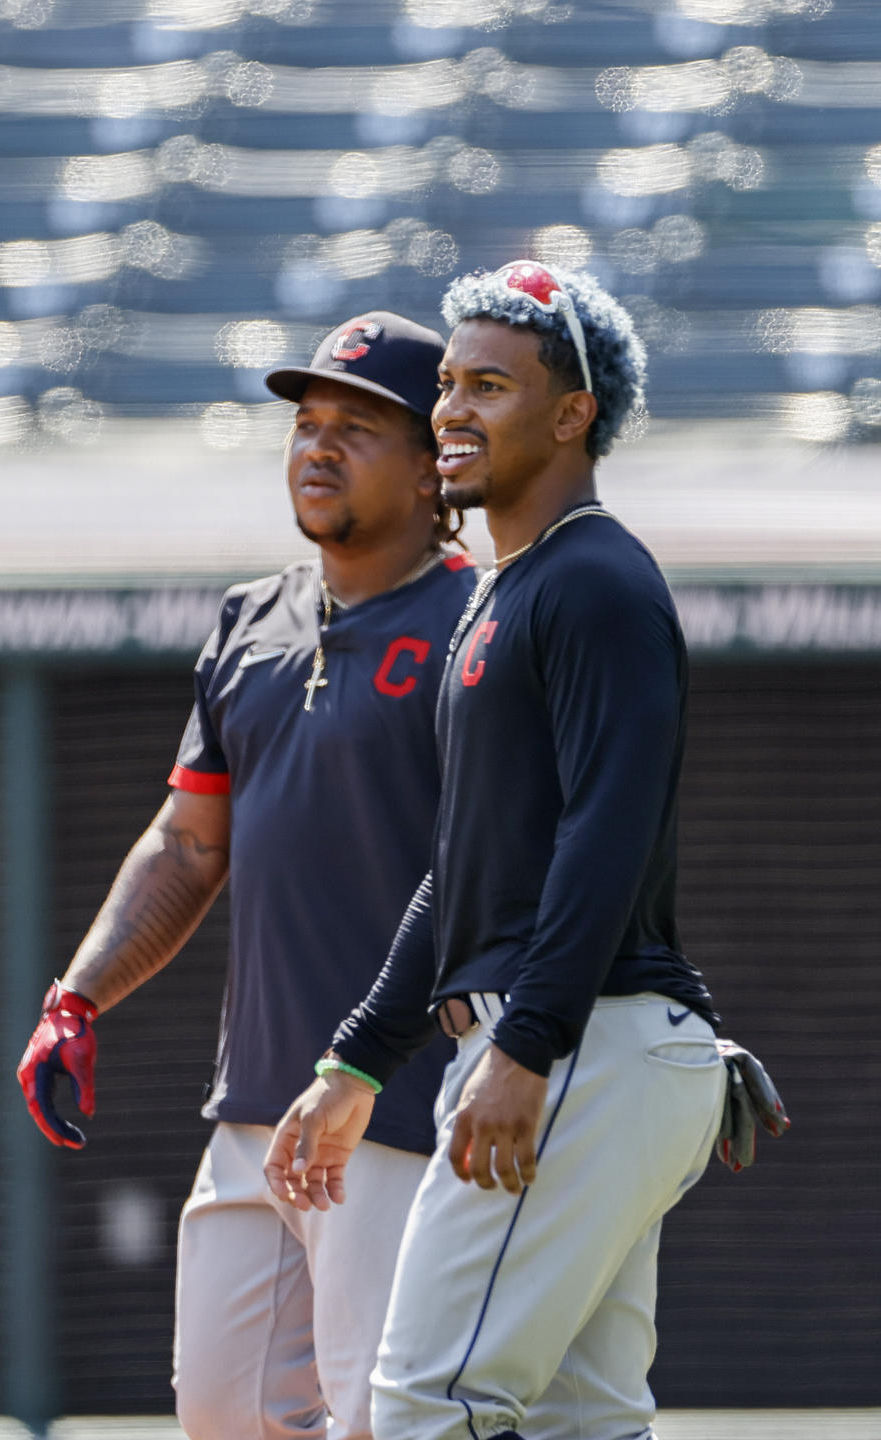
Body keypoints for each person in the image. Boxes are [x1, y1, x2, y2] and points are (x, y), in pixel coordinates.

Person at [264, 262, 729, 1440]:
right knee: (580, 1422)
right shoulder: (509, 590)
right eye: (449, 386)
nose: (453, 409)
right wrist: (358, 1060)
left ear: (573, 413)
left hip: (581, 1038)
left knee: (428, 1404)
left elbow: (607, 830)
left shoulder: (596, 580)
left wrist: (526, 1046)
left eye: (491, 386)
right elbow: (466, 860)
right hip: (598, 1045)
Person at [16, 310, 478, 1440]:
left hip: (402, 1100)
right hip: (255, 1106)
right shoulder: (249, 618)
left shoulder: (484, 619)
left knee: (390, 1420)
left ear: (433, 470)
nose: (318, 447)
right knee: (225, 1417)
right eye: (307, 424)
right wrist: (77, 997)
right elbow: (187, 845)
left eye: (359, 428)